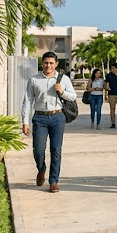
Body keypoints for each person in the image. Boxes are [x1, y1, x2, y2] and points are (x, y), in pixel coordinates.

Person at [20, 51, 76, 193]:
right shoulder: (34, 80)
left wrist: (62, 92)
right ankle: (41, 169)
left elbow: (73, 96)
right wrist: (25, 122)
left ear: (56, 64)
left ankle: (53, 181)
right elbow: (27, 101)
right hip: (39, 118)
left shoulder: (63, 79)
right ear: (42, 63)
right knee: (38, 150)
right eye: (46, 63)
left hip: (58, 117)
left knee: (56, 150)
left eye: (51, 63)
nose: (48, 65)